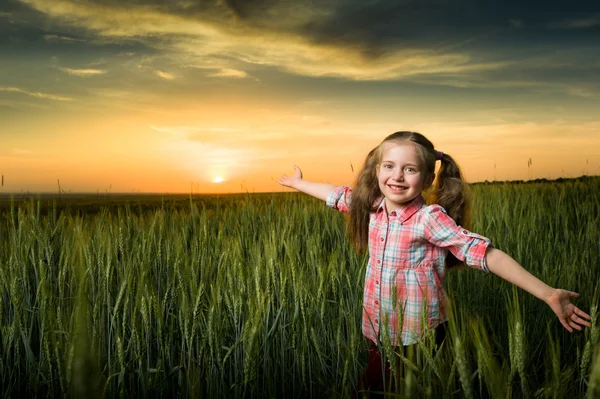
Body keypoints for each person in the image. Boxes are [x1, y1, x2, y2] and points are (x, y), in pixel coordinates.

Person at [277, 131, 591, 396]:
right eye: (389, 166)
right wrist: (298, 183)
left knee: (379, 388)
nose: (397, 176)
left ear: (428, 178)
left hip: (417, 332)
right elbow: (335, 194)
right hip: (378, 326)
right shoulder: (370, 207)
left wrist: (546, 292)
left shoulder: (429, 219)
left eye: (409, 169)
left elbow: (483, 253)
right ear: (376, 171)